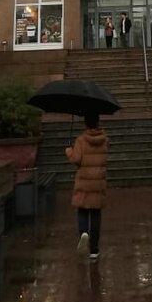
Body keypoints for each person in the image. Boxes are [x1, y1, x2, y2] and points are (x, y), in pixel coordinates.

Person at [65, 112, 108, 261]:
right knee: (96, 214)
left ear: (85, 124)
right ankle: (94, 250)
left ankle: (84, 232)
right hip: (98, 181)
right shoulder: (104, 140)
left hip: (84, 180)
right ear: (98, 122)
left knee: (82, 210)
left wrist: (69, 152)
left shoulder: (81, 140)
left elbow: (76, 159)